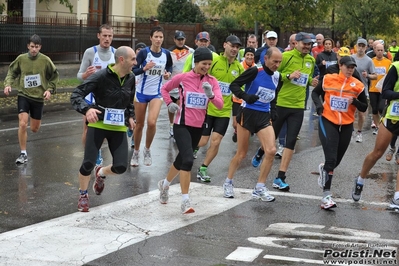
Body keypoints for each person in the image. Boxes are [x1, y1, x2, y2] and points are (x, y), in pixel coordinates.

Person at [70, 46, 137, 212]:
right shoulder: (100, 76)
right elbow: (76, 94)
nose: (136, 63)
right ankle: (83, 194)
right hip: (98, 124)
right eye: (133, 59)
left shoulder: (131, 77)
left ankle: (100, 173)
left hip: (118, 126)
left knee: (121, 166)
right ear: (122, 60)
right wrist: (87, 109)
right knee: (88, 163)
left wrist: (130, 116)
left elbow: (129, 101)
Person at [158, 47, 223, 214]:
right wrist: (169, 104)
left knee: (181, 160)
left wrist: (211, 95)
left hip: (198, 127)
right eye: (203, 63)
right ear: (196, 62)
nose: (206, 67)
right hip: (182, 125)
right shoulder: (183, 78)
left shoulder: (212, 81)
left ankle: (165, 185)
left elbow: (220, 105)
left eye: (209, 64)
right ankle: (185, 201)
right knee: (188, 160)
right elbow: (164, 89)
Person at [251, 32, 319, 191]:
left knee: (291, 141)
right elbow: (272, 72)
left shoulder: (310, 59)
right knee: (271, 137)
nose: (307, 47)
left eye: (310, 45)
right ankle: (261, 152)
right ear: (297, 43)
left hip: (298, 106)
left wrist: (312, 81)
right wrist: (289, 75)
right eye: (305, 44)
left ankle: (280, 177)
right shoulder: (286, 56)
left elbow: (306, 78)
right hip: (281, 103)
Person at [225, 47, 283, 200]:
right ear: (266, 59)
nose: (277, 65)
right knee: (242, 154)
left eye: (279, 62)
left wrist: (274, 109)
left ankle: (259, 187)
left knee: (270, 150)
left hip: (264, 116)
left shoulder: (278, 77)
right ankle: (228, 182)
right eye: (274, 61)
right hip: (247, 113)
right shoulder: (255, 71)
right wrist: (245, 96)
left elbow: (274, 95)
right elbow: (234, 85)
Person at [312, 56, 367, 209]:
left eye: (352, 67)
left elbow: (363, 106)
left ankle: (325, 170)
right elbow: (315, 93)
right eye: (348, 66)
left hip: (347, 124)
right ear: (340, 65)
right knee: (330, 159)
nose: (350, 70)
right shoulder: (329, 79)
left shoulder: (358, 85)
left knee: (336, 161)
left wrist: (354, 102)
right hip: (328, 120)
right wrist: (319, 106)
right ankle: (326, 196)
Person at [195, 35, 245, 182]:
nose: (235, 49)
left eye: (237, 47)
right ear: (225, 45)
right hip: (207, 109)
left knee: (216, 141)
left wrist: (236, 114)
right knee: (203, 141)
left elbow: (238, 92)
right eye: (232, 46)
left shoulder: (238, 68)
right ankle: (193, 148)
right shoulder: (215, 61)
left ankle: (203, 168)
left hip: (223, 111)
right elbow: (200, 75)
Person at [3, 34, 59, 164]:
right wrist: (8, 84)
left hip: (38, 97)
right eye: (32, 46)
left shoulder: (45, 60)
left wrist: (49, 89)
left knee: (34, 128)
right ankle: (23, 153)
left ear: (40, 47)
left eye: (37, 47)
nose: (34, 49)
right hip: (24, 94)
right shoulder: (21, 59)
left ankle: (34, 126)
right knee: (23, 123)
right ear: (28, 46)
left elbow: (54, 75)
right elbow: (12, 72)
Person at [352, 60, 399, 211]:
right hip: (393, 116)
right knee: (378, 152)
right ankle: (360, 179)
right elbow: (385, 92)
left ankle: (397, 196)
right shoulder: (396, 67)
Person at [130, 26, 173, 167]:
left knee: (152, 122)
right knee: (139, 124)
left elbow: (169, 68)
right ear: (151, 38)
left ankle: (147, 150)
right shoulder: (143, 53)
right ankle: (136, 152)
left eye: (161, 37)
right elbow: (133, 71)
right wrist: (144, 68)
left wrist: (168, 74)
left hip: (157, 93)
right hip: (141, 93)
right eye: (156, 37)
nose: (158, 40)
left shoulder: (166, 54)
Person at [77, 24, 115, 166]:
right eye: (104, 35)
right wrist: (86, 74)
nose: (107, 39)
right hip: (90, 97)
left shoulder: (116, 54)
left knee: (103, 128)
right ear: (98, 35)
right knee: (87, 129)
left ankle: (97, 151)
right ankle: (88, 155)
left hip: (108, 98)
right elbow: (79, 76)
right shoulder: (90, 52)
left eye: (110, 36)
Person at [167, 30, 194, 139]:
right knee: (171, 107)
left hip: (184, 83)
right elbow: (167, 66)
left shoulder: (190, 51)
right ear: (174, 40)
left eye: (182, 39)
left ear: (185, 39)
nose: (180, 41)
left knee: (180, 104)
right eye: (178, 39)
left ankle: (178, 125)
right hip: (172, 81)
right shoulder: (169, 52)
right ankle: (171, 124)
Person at [351, 38, 377, 143]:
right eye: (359, 46)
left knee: (361, 114)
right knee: (351, 113)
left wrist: (368, 75)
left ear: (366, 48)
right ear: (356, 46)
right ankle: (350, 130)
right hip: (351, 89)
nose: (361, 48)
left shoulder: (369, 61)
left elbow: (375, 76)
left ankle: (359, 132)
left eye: (363, 46)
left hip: (363, 90)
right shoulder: (351, 58)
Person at [232, 47, 256, 142]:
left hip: (249, 99)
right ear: (244, 55)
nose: (249, 57)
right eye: (248, 55)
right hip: (238, 97)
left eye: (251, 55)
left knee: (246, 121)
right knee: (235, 123)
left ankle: (243, 137)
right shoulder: (239, 66)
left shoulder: (257, 68)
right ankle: (236, 130)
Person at [128, 42, 147, 149]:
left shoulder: (147, 64)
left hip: (139, 94)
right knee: (129, 115)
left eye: (142, 50)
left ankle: (134, 140)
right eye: (138, 49)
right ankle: (129, 127)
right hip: (129, 93)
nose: (140, 52)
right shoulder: (132, 64)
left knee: (137, 119)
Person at [369, 43, 391, 134]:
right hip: (372, 89)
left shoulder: (388, 62)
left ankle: (383, 124)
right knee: (374, 109)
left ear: (384, 51)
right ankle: (377, 126)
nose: (380, 52)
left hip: (383, 89)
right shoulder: (371, 61)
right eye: (378, 50)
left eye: (381, 50)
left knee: (381, 108)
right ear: (375, 51)